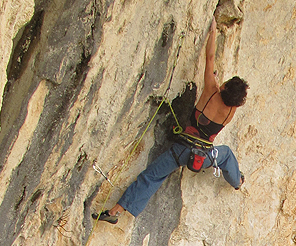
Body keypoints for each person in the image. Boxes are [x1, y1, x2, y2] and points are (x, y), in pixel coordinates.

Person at [93, 19, 247, 223]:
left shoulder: (211, 90)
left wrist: (212, 32)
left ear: (224, 87)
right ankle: (237, 181)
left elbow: (210, 58)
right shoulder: (230, 112)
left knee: (151, 177)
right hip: (206, 156)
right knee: (226, 154)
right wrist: (220, 86)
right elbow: (224, 98)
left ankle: (115, 211)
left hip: (181, 151)